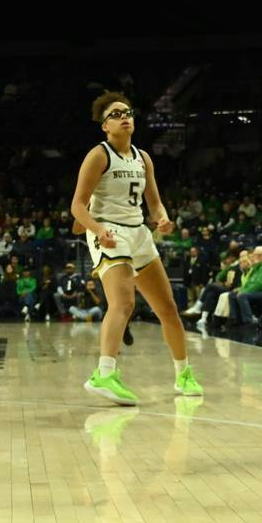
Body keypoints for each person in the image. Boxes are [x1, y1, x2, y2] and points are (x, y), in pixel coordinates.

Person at [68, 90, 200, 404]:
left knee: (167, 308)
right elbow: (77, 207)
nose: (124, 117)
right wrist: (99, 230)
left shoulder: (143, 158)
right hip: (107, 229)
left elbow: (154, 205)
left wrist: (163, 220)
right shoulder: (99, 155)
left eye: (127, 112)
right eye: (115, 114)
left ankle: (183, 374)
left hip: (138, 232)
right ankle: (104, 373)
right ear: (104, 126)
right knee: (124, 303)